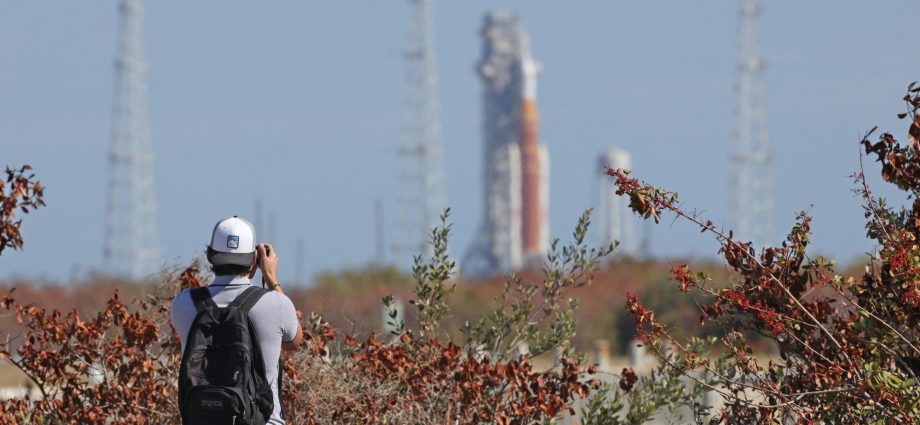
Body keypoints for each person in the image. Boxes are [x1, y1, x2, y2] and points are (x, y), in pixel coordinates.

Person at [170, 216, 303, 425]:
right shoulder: (277, 304)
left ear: (210, 255)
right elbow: (293, 342)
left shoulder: (183, 303)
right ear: (254, 259)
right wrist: (271, 278)